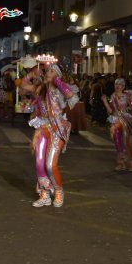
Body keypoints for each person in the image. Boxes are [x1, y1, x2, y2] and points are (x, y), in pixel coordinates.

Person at [19, 64, 78, 207]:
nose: (47, 73)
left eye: (52, 71)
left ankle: (59, 191)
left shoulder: (61, 90)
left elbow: (72, 97)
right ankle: (44, 194)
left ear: (57, 75)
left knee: (50, 165)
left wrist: (56, 81)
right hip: (43, 128)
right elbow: (23, 86)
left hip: (57, 129)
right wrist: (31, 75)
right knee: (39, 163)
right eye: (48, 71)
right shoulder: (40, 89)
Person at [102, 78, 132, 171]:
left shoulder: (127, 95)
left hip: (125, 120)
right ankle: (121, 162)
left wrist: (127, 108)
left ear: (123, 86)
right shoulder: (113, 96)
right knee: (117, 140)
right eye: (116, 84)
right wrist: (105, 102)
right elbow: (110, 111)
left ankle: (131, 161)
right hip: (115, 119)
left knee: (126, 142)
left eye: (120, 84)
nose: (117, 86)